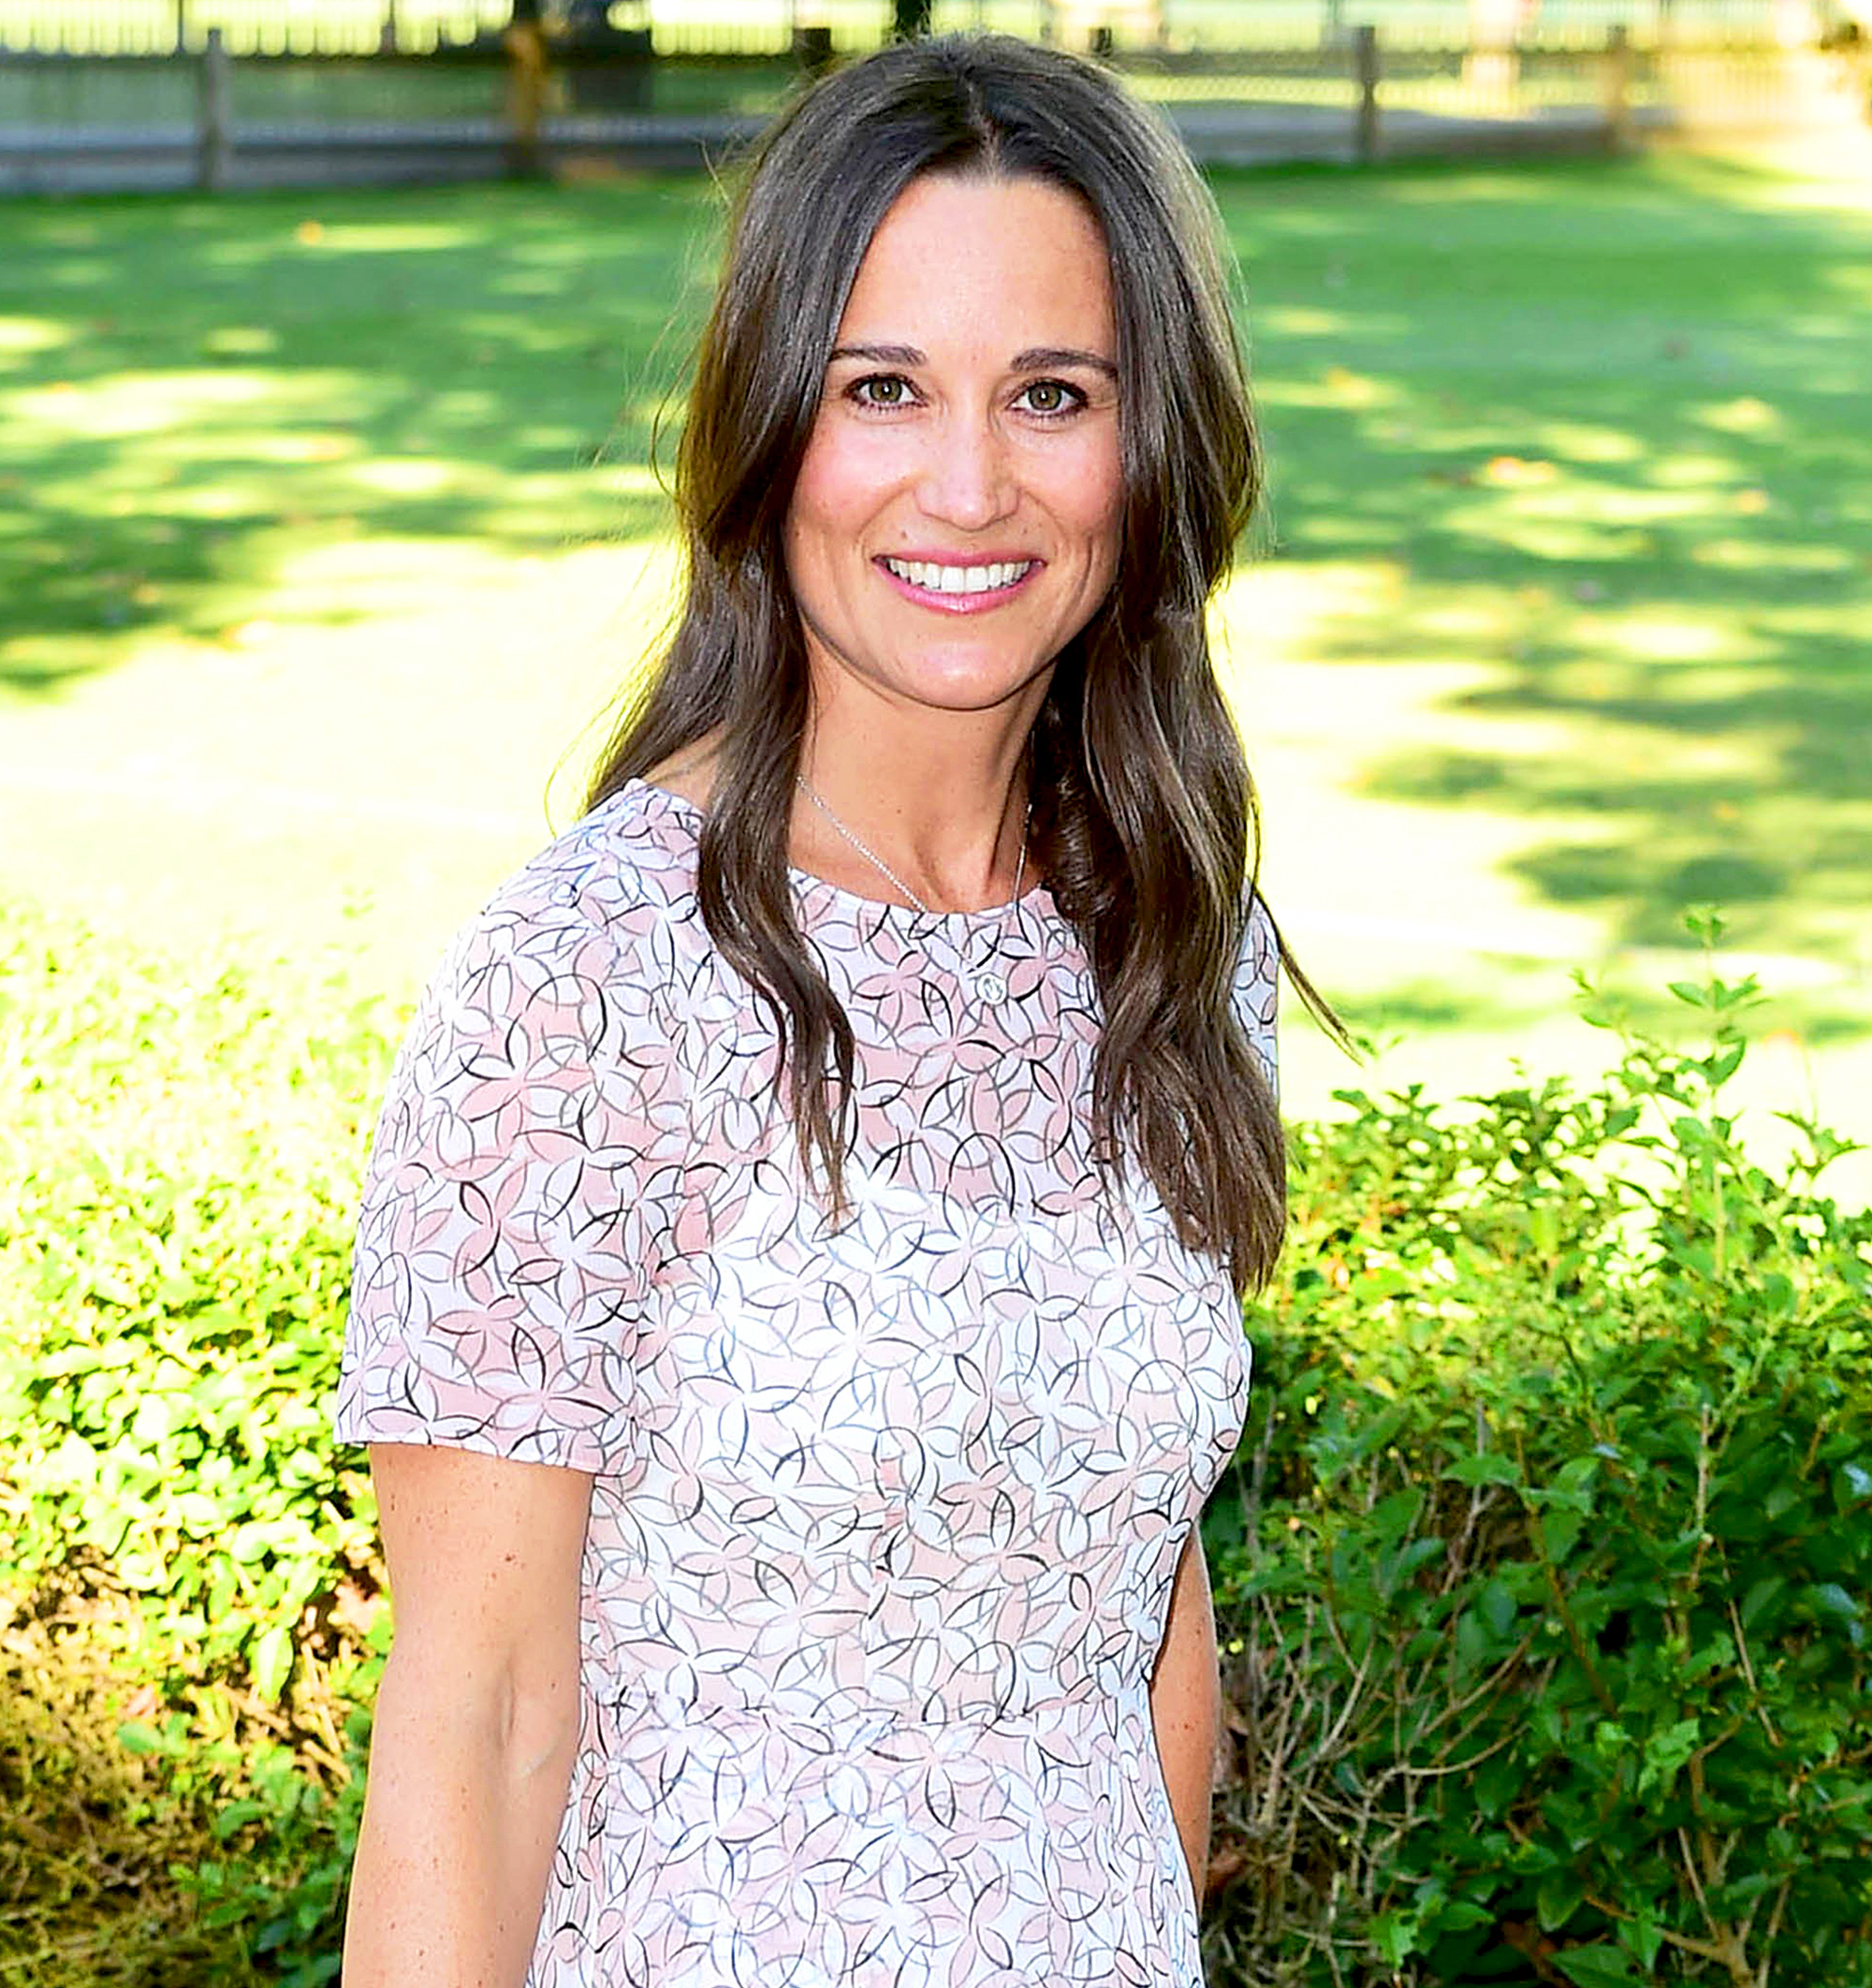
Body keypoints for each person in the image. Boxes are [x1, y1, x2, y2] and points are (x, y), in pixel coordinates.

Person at [334, 31, 1339, 1988]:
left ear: (1157, 445)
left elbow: (1146, 1593)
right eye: (883, 387)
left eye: (1052, 393)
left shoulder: (1174, 930)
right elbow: (474, 1725)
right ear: (773, 423)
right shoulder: (592, 979)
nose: (966, 483)